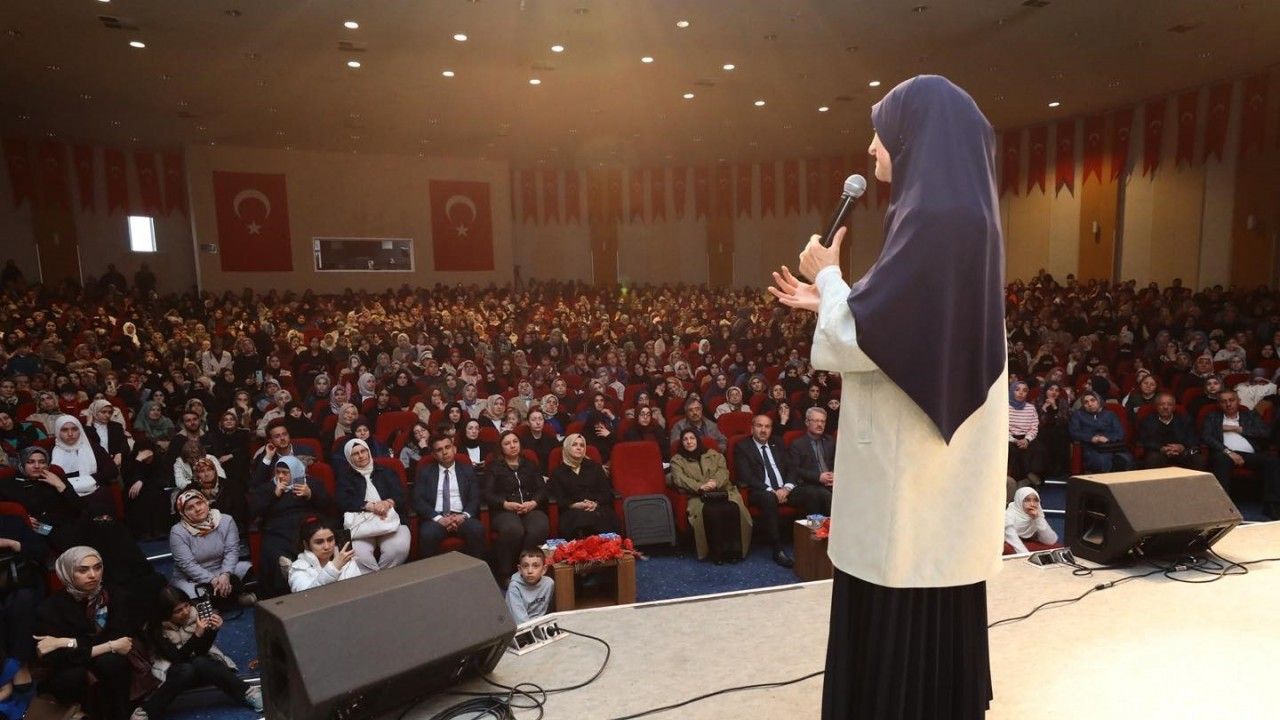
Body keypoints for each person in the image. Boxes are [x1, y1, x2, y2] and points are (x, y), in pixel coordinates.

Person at [769, 76, 1006, 719]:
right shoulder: (963, 214)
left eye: (881, 133)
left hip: (909, 467)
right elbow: (901, 325)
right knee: (936, 570)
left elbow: (864, 340)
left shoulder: (930, 218)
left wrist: (830, 277)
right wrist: (830, 298)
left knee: (903, 572)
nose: (872, 149)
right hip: (940, 465)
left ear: (913, 136)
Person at [34, 547, 144, 720]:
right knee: (73, 676)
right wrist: (108, 646)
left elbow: (122, 639)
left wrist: (66, 642)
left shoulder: (116, 595)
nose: (93, 575)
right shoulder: (50, 608)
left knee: (111, 663)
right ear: (67, 572)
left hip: (108, 661)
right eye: (83, 570)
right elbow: (56, 657)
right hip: (70, 670)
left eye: (97, 567)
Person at [132, 586, 262, 719]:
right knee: (187, 669)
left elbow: (201, 651)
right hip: (174, 673)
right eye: (178, 611)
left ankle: (249, 693)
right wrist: (196, 635)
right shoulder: (157, 630)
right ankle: (146, 712)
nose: (185, 612)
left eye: (186, 605)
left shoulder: (196, 615)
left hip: (202, 666)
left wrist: (212, 631)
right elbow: (176, 658)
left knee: (200, 662)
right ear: (166, 613)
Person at [249, 456, 330, 598]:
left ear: (295, 471)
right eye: (278, 472)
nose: (280, 476)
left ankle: (313, 581)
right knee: (273, 552)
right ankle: (283, 590)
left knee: (316, 538)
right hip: (277, 529)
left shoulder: (310, 483)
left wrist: (310, 494)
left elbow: (328, 505)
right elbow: (253, 512)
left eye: (285, 473)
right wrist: (274, 495)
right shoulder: (268, 488)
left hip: (306, 526)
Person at [670, 429, 750, 564]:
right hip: (697, 496)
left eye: (692, 438)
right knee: (712, 511)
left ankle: (734, 551)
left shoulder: (714, 455)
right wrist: (700, 486)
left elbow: (724, 472)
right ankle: (716, 553)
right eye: (685, 439)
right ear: (682, 443)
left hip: (722, 491)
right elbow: (679, 479)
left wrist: (715, 483)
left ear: (697, 440)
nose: (689, 442)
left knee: (732, 507)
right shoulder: (677, 460)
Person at [1202, 389, 1280, 519]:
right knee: (1220, 460)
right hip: (1225, 454)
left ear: (1238, 401)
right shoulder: (1213, 417)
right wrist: (1228, 452)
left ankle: (1272, 505)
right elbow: (1207, 437)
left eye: (1231, 400)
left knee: (1273, 461)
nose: (1228, 404)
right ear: (1219, 404)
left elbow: (1265, 433)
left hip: (1250, 455)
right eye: (1224, 401)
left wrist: (1237, 428)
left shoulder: (1250, 415)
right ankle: (1224, 507)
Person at [168, 489, 254, 605]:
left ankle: (227, 597)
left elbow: (232, 551)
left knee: (248, 568)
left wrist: (225, 574)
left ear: (206, 502)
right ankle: (232, 598)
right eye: (190, 508)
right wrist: (212, 579)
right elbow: (187, 565)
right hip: (191, 577)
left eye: (199, 503)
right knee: (192, 593)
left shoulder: (226, 520)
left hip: (221, 568)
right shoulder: (177, 532)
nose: (197, 509)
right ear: (183, 513)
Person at [336, 438, 410, 572]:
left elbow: (401, 495)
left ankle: (382, 579)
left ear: (368, 451)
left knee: (398, 548)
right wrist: (368, 505)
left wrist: (388, 503)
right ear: (349, 458)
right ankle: (374, 581)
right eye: (355, 454)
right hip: (360, 524)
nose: (361, 456)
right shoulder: (345, 477)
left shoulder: (386, 471)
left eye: (363, 451)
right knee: (358, 555)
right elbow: (342, 501)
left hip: (389, 518)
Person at [733, 415, 798, 567]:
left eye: (767, 426)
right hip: (760, 491)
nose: (763, 430)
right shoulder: (742, 447)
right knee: (769, 498)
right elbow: (746, 476)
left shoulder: (778, 443)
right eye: (759, 426)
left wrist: (786, 488)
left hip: (784, 489)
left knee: (815, 493)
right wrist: (771, 490)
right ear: (752, 428)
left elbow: (792, 468)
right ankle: (778, 549)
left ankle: (816, 542)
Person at [485, 432, 550, 581]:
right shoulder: (494, 467)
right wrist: (505, 504)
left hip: (530, 507)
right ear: (501, 448)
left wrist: (533, 502)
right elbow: (487, 493)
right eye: (507, 443)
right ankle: (506, 572)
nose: (512, 445)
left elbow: (542, 489)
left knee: (539, 527)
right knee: (513, 529)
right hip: (505, 510)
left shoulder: (529, 464)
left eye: (515, 441)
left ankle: (527, 568)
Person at [411, 435, 486, 559]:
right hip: (436, 518)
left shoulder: (467, 470)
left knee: (477, 529)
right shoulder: (425, 472)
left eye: (447, 447)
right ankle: (433, 571)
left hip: (462, 516)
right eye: (439, 450)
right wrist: (439, 518)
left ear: (454, 449)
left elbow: (475, 497)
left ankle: (476, 569)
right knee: (427, 534)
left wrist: (463, 516)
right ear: (434, 455)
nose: (445, 452)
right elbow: (418, 500)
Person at [548, 434, 619, 538]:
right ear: (567, 447)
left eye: (582, 445)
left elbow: (605, 492)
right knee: (582, 520)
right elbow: (558, 497)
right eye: (574, 445)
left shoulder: (595, 467)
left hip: (597, 507)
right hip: (572, 510)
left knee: (606, 518)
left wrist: (595, 503)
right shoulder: (558, 472)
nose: (579, 448)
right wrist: (575, 505)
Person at [51, 414, 119, 519]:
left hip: (94, 491)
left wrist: (89, 480)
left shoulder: (93, 447)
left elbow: (112, 471)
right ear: (57, 431)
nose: (70, 434)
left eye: (74, 429)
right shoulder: (50, 451)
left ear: (80, 430)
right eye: (64, 430)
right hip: (66, 495)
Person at [289, 516, 362, 592]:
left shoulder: (346, 560)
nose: (327, 547)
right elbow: (306, 596)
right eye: (319, 542)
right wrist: (334, 568)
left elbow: (360, 590)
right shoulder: (298, 568)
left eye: (330, 540)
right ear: (306, 544)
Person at [1138, 393, 1207, 471]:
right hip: (1159, 452)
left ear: (1174, 407)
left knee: (1198, 459)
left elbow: (1193, 438)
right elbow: (1145, 440)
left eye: (1169, 404)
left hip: (1181, 453)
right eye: (1162, 404)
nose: (1165, 407)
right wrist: (1162, 448)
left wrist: (1182, 447)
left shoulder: (1184, 420)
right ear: (1157, 406)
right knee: (1152, 458)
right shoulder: (1148, 421)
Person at [786, 407, 836, 514]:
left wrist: (834, 474)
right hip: (807, 485)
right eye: (816, 421)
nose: (820, 424)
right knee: (823, 494)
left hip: (829, 484)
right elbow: (795, 470)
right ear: (807, 422)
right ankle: (830, 524)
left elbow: (837, 463)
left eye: (822, 421)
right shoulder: (797, 444)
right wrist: (818, 477)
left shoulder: (830, 441)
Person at [1068, 391, 1135, 473]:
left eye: (1092, 400)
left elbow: (1120, 433)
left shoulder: (1110, 414)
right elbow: (1074, 432)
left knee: (1126, 460)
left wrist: (1107, 438)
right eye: (1086, 402)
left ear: (1098, 401)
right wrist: (1091, 438)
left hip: (1112, 446)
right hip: (1092, 447)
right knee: (1102, 461)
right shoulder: (1078, 415)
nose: (1090, 404)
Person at [1008, 380, 1048, 486]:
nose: (1021, 393)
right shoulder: (1004, 408)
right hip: (1009, 438)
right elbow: (1001, 428)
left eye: (1024, 390)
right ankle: (1020, 479)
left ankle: (1033, 476)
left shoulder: (1031, 408)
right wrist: (1014, 440)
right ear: (1011, 391)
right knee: (1013, 451)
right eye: (1017, 390)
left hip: (1026, 437)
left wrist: (1027, 439)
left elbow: (1034, 427)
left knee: (1040, 449)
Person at [1003, 487, 1059, 554]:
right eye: (1027, 500)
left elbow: (1050, 541)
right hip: (1011, 545)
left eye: (1035, 500)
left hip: (1027, 545)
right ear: (1019, 501)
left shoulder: (1037, 513)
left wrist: (1038, 518)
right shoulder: (1008, 515)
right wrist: (1028, 558)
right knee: (1007, 549)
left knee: (1057, 548)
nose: (1032, 504)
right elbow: (1013, 540)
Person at [505, 548, 554, 624]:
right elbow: (520, 621)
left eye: (535, 566)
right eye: (525, 566)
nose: (530, 571)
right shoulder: (514, 587)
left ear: (544, 569)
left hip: (540, 624)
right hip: (521, 626)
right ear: (520, 569)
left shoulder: (549, 583)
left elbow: (544, 611)